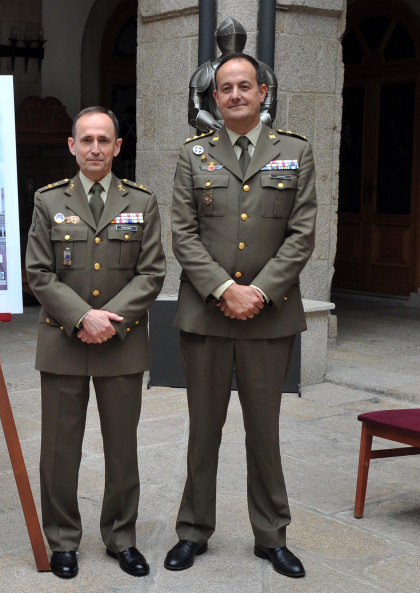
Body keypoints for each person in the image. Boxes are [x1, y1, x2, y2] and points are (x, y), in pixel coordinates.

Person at [166, 52, 316, 579]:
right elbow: (182, 233)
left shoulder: (295, 152)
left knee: (264, 430)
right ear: (214, 99)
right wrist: (225, 289)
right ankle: (192, 531)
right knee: (203, 429)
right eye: (224, 88)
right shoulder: (193, 155)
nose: (234, 95)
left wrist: (259, 292)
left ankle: (271, 536)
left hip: (268, 318)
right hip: (206, 317)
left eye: (244, 86)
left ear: (263, 93)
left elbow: (302, 236)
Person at [25, 106, 165, 579]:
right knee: (60, 449)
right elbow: (38, 272)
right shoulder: (48, 201)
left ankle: (121, 538)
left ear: (118, 147)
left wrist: (111, 321)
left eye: (104, 140)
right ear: (72, 145)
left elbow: (152, 272)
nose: (95, 148)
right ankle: (62, 539)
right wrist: (83, 316)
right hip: (64, 342)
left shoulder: (142, 202)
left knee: (122, 448)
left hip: (121, 343)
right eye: (86, 139)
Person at [188, 17, 278, 134]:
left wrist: (250, 127)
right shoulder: (205, 71)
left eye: (244, 86)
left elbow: (269, 110)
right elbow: (194, 111)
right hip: (217, 135)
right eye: (227, 88)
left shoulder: (264, 70)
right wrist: (212, 123)